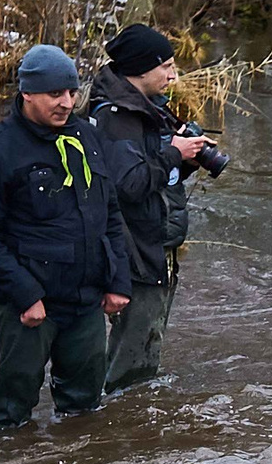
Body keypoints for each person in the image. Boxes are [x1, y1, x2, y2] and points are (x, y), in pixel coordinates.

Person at [0, 44, 131, 432]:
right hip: (29, 305)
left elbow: (111, 215)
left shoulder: (86, 135)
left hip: (87, 299)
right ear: (27, 94)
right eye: (55, 94)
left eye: (71, 93)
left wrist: (118, 280)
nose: (66, 102)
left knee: (85, 408)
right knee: (12, 409)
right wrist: (25, 294)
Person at [86, 23, 211, 392]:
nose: (174, 74)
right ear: (141, 69)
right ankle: (118, 422)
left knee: (146, 340)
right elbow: (130, 184)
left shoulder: (144, 109)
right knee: (134, 348)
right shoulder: (118, 116)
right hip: (135, 247)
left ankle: (132, 415)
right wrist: (174, 153)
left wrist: (185, 160)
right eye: (166, 66)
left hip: (152, 241)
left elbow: (152, 175)